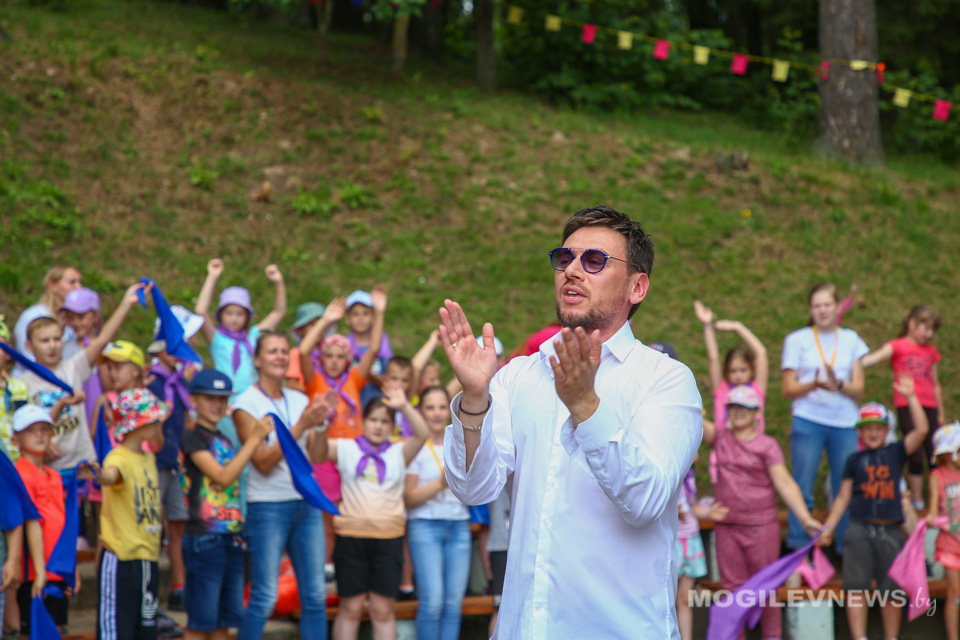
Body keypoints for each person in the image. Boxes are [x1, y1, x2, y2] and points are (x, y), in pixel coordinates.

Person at [439, 204, 702, 638]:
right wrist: (473, 398)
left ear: (637, 287)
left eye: (594, 261)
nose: (572, 270)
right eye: (564, 258)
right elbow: (473, 488)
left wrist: (585, 407)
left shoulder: (666, 381)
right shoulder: (519, 375)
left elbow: (645, 502)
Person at [232, 331, 336, 640]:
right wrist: (303, 424)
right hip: (268, 506)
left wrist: (321, 424)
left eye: (283, 351)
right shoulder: (245, 404)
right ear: (257, 360)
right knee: (264, 597)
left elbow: (316, 457)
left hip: (306, 504)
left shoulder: (300, 398)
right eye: (272, 351)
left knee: (316, 595)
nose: (280, 356)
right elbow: (262, 462)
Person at [703, 385, 821, 639]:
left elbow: (785, 483)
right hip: (728, 526)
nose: (738, 412)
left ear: (757, 412)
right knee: (733, 591)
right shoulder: (720, 437)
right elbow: (693, 420)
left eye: (744, 408)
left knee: (767, 589)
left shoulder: (767, 446)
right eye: (733, 407)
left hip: (761, 527)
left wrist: (806, 519)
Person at [819, 376, 929, 640]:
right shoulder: (854, 459)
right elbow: (843, 496)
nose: (872, 432)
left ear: (886, 430)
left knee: (891, 589)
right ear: (859, 431)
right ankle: (859, 637)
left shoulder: (895, 452)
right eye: (866, 427)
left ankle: (891, 637)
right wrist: (829, 526)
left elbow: (922, 431)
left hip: (891, 530)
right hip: (858, 529)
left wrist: (912, 397)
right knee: (855, 587)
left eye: (878, 427)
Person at [324, 388, 429, 640]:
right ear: (362, 422)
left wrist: (404, 406)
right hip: (351, 538)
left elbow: (422, 434)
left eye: (385, 421)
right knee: (350, 608)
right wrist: (320, 425)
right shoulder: (346, 448)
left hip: (388, 539)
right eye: (373, 419)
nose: (378, 426)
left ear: (392, 426)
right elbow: (315, 450)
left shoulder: (398, 452)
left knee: (382, 610)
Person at [180, 370, 273, 640]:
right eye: (210, 398)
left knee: (224, 624)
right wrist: (254, 439)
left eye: (222, 399)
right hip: (204, 539)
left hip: (231, 536)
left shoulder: (223, 439)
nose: (217, 405)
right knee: (200, 623)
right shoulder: (193, 437)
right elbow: (222, 477)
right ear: (194, 400)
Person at [23, 281, 150, 472]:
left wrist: (126, 304)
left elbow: (102, 341)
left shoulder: (74, 366)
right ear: (29, 346)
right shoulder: (25, 382)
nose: (52, 346)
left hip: (84, 465)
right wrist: (43, 444)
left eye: (57, 339)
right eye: (44, 341)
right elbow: (25, 427)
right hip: (50, 468)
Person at [301, 288, 386, 569]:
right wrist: (326, 321)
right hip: (323, 453)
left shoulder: (354, 378)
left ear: (348, 360)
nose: (335, 361)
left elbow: (373, 349)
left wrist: (380, 312)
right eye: (330, 356)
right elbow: (302, 350)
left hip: (352, 453)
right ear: (322, 359)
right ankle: (326, 566)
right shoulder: (315, 381)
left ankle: (349, 563)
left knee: (351, 511)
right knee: (327, 513)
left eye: (340, 356)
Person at [781, 282, 868, 553]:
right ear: (810, 309)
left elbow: (859, 389)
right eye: (817, 305)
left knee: (844, 487)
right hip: (808, 419)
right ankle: (798, 548)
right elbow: (788, 389)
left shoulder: (852, 339)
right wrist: (815, 383)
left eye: (827, 304)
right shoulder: (797, 340)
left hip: (844, 423)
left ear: (838, 307)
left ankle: (844, 548)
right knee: (803, 484)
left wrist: (838, 384)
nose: (822, 310)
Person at [12, 404, 96, 634]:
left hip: (58, 569)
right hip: (33, 573)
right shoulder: (20, 474)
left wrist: (72, 570)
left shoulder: (56, 476)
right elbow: (31, 525)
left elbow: (64, 529)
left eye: (44, 429)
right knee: (33, 631)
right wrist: (39, 574)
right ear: (15, 440)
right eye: (31, 430)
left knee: (56, 629)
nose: (39, 435)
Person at [97, 388, 170, 640]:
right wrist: (98, 475)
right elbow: (111, 475)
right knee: (116, 630)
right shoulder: (119, 457)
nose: (158, 422)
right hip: (122, 558)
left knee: (146, 630)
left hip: (148, 558)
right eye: (153, 418)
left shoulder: (148, 458)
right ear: (137, 424)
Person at [404, 386, 471, 640]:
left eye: (442, 407)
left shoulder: (461, 442)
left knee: (454, 604)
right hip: (425, 525)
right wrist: (441, 484)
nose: (436, 413)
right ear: (420, 410)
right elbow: (408, 499)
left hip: (458, 525)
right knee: (432, 602)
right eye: (430, 407)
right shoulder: (415, 447)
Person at [862, 304, 943, 508]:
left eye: (932, 329)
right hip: (907, 404)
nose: (929, 333)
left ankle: (939, 499)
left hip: (930, 405)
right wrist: (854, 362)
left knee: (934, 452)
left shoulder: (931, 351)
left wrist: (940, 412)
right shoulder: (897, 345)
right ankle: (917, 500)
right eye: (926, 328)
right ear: (911, 323)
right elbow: (876, 357)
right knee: (914, 452)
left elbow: (936, 382)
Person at [195, 259, 287, 398]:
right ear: (221, 315)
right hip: (225, 399)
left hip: (253, 399)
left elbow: (278, 312)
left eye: (240, 313)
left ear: (247, 316)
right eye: (229, 313)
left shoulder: (253, 335)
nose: (234, 318)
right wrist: (212, 276)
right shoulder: (216, 337)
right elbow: (201, 312)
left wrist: (278, 282)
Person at [675, 469, 726, 640]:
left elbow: (694, 508)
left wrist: (708, 513)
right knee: (665, 599)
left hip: (691, 540)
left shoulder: (688, 477)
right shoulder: (664, 472)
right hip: (670, 543)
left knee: (685, 599)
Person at [12, 265, 82, 376]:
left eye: (80, 282)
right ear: (53, 285)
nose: (79, 287)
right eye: (72, 282)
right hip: (27, 384)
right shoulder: (31, 316)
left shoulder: (74, 322)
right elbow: (27, 356)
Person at [927, 422, 960, 640]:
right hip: (950, 544)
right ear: (950, 454)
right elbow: (931, 511)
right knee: (955, 594)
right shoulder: (937, 476)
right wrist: (932, 519)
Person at [59, 287, 106, 426]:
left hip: (99, 418)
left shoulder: (107, 349)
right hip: (74, 417)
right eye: (71, 318)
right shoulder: (63, 348)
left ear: (95, 317)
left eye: (81, 317)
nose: (76, 323)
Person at [344, 290, 393, 379]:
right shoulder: (344, 343)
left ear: (373, 317)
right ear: (347, 319)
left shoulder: (382, 339)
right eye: (355, 314)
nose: (360, 318)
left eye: (365, 313)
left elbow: (389, 371)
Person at [0, 317, 29, 460]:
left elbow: (30, 423)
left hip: (20, 464)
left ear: (8, 352)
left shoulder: (20, 387)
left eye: (1, 345)